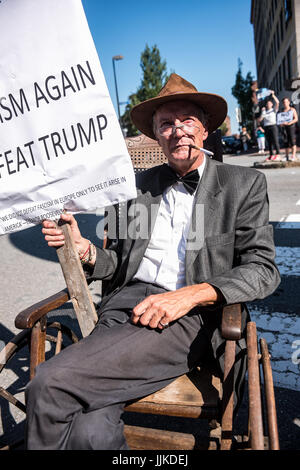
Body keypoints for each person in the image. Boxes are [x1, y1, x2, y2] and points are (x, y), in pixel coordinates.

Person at [25, 73, 280, 450]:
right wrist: (84, 249)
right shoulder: (135, 187)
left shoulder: (243, 185)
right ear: (156, 136)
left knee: (48, 382)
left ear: (205, 128)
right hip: (121, 311)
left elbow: (263, 269)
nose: (178, 131)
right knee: (90, 429)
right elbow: (117, 263)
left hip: (186, 318)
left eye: (187, 121)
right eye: (166, 124)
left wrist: (190, 295)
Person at [259, 90, 281, 161]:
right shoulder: (265, 111)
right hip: (267, 127)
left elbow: (277, 102)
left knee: (275, 140)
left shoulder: (274, 110)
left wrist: (273, 95)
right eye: (267, 104)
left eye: (269, 103)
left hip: (273, 126)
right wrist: (262, 112)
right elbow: (260, 119)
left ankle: (278, 154)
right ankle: (271, 155)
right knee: (269, 142)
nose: (268, 104)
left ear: (271, 104)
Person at [279, 97, 298, 161]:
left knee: (292, 142)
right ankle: (286, 156)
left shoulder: (292, 109)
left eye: (286, 102)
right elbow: (279, 120)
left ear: (289, 102)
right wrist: (280, 124)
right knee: (285, 142)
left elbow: (296, 119)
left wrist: (290, 123)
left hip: (291, 127)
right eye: (284, 102)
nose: (285, 103)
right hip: (284, 128)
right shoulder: (282, 111)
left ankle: (293, 156)